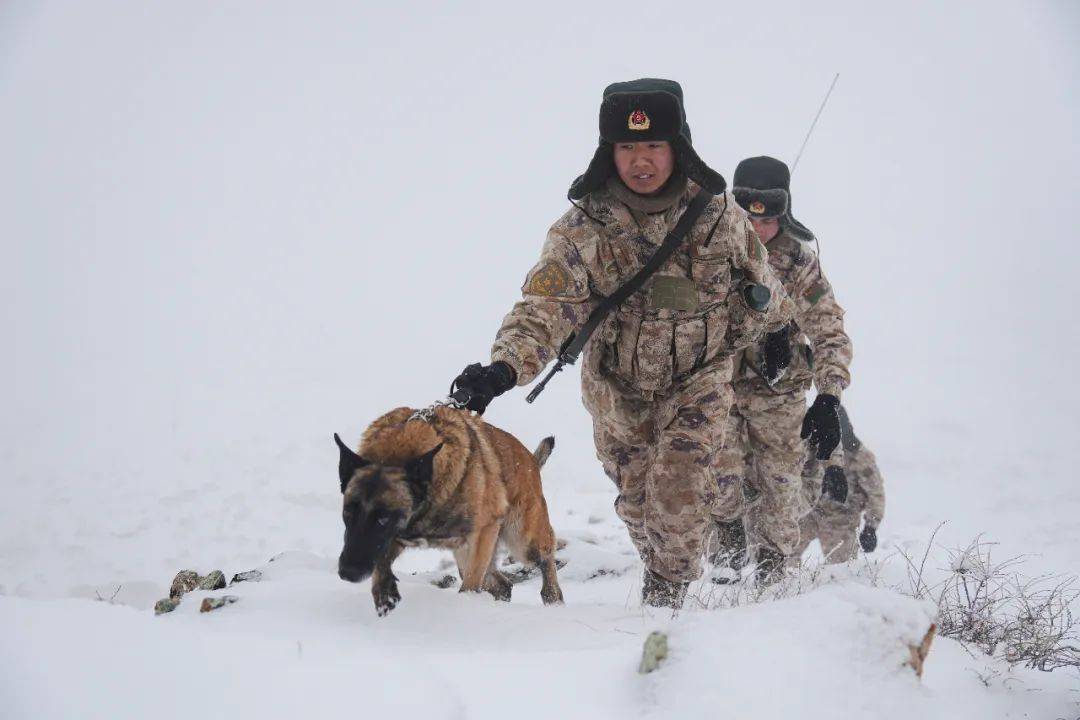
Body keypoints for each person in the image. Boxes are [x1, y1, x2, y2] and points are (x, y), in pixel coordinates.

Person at [451, 79, 793, 608]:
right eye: (628, 146)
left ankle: (667, 602)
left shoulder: (718, 217)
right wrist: (502, 369)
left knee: (678, 494)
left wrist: (778, 329)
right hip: (617, 387)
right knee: (637, 503)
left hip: (699, 381)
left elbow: (761, 281)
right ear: (609, 151)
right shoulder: (584, 226)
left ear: (676, 147)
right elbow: (544, 307)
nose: (641, 160)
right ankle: (661, 569)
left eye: (653, 145)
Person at [707, 156, 852, 583]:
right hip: (718, 385)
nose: (760, 231)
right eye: (751, 221)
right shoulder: (710, 248)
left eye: (769, 221)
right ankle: (726, 557)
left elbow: (830, 331)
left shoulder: (798, 261)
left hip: (779, 393)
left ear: (783, 214)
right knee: (719, 480)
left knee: (781, 488)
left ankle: (774, 575)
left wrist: (829, 396)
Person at [796, 404, 885, 563]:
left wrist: (871, 527)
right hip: (809, 511)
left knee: (840, 572)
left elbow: (875, 494)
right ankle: (784, 586)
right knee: (784, 551)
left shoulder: (859, 456)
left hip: (841, 519)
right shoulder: (812, 445)